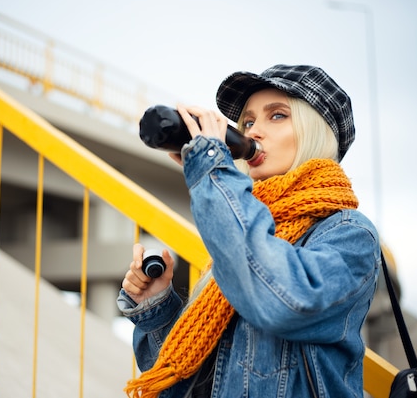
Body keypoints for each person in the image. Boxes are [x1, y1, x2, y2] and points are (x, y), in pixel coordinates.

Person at [117, 64, 381, 398]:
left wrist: (211, 170)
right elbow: (183, 388)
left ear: (315, 131)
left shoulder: (348, 234)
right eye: (249, 122)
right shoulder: (244, 224)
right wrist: (155, 308)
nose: (253, 132)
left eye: (278, 115)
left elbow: (281, 303)